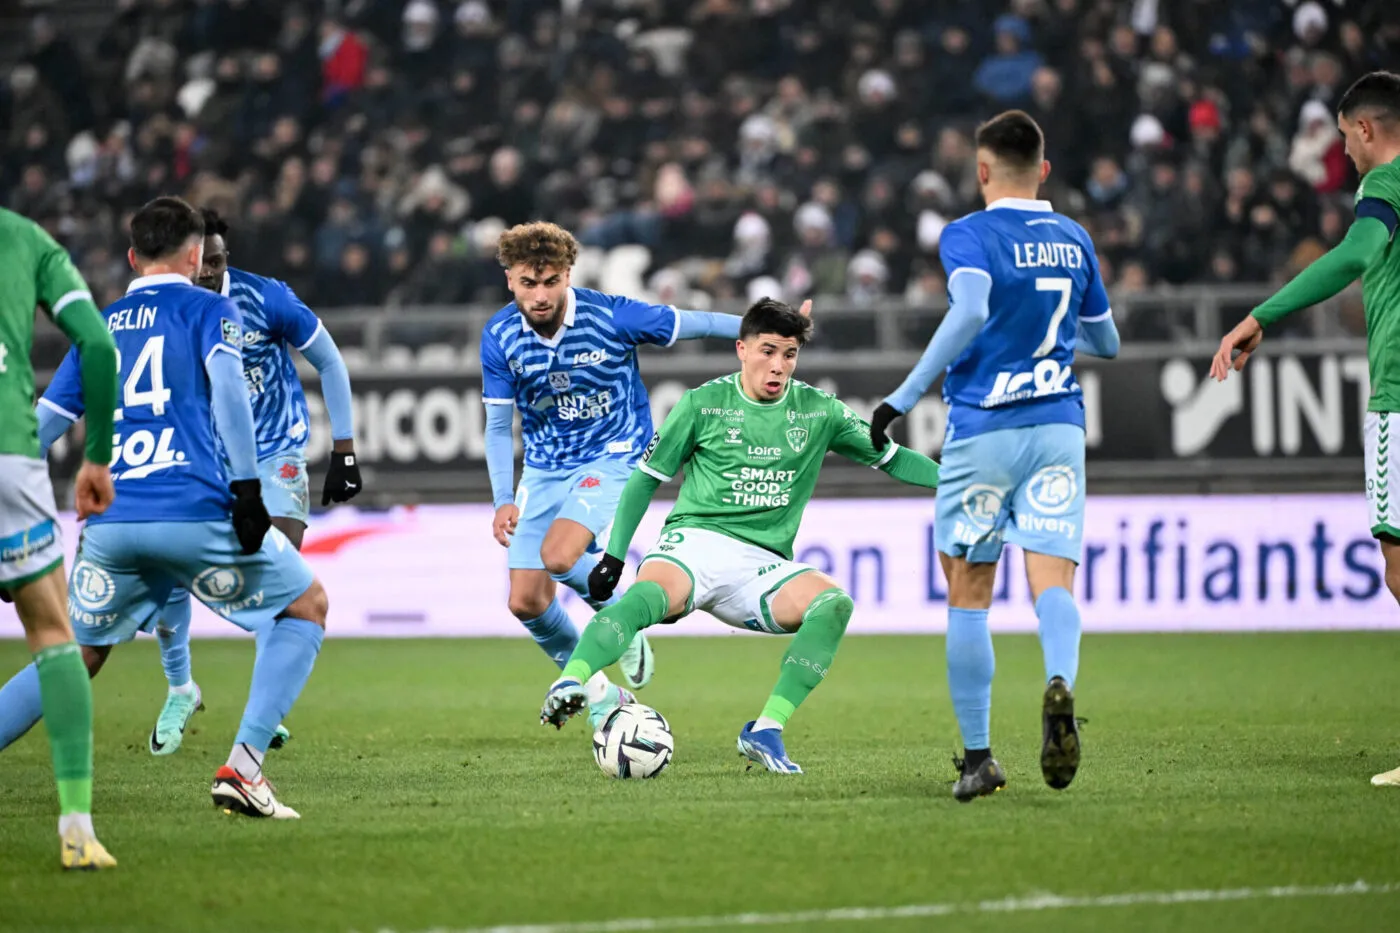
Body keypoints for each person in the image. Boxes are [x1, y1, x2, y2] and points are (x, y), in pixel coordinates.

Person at [0, 197, 328, 819]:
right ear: (196, 256)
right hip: (192, 511)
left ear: (132, 257)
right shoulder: (211, 308)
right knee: (305, 606)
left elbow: (36, 431)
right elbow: (230, 395)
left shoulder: (99, 325)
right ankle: (244, 769)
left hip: (112, 526)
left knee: (72, 654)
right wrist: (248, 490)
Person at [539, 298, 943, 773]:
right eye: (767, 351)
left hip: (762, 564)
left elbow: (893, 458)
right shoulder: (702, 403)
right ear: (742, 350)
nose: (778, 366)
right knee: (645, 600)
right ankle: (571, 680)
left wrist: (958, 482)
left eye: (789, 354)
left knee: (833, 605)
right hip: (695, 542)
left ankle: (766, 729)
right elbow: (645, 479)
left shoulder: (820, 411)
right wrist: (613, 556)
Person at [870, 110, 1121, 802]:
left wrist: (902, 396)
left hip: (985, 429)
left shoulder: (968, 234)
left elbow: (973, 310)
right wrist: (1051, 332)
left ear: (981, 170)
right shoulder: (1075, 237)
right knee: (1053, 580)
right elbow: (1107, 343)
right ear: (1044, 170)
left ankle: (979, 758)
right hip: (1059, 427)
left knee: (969, 589)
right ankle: (1059, 679)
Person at [56, 206, 356, 757]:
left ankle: (262, 708)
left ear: (220, 258)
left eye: (218, 262)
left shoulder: (265, 298)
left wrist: (344, 449)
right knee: (172, 570)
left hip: (275, 453)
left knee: (283, 565)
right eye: (205, 262)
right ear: (191, 257)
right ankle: (181, 687)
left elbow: (330, 361)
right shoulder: (183, 312)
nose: (210, 272)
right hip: (207, 460)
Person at [1210, 72, 1400, 789]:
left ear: (1365, 129)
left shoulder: (1384, 185)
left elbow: (1355, 255)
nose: (1345, 152)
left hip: (1399, 395)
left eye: (1346, 137)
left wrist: (1262, 314)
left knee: (1398, 565)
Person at [481, 222, 744, 731]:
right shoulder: (499, 336)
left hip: (614, 455)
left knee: (559, 555)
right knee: (525, 601)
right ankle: (602, 696)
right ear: (510, 279)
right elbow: (496, 425)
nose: (540, 295)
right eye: (528, 283)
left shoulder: (611, 316)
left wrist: (764, 328)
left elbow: (698, 321)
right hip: (544, 466)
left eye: (551, 282)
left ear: (568, 275)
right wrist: (502, 498)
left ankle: (621, 616)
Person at [0, 206, 119, 869]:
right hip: (8, 458)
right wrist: (95, 458)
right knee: (53, 635)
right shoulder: (25, 240)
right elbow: (97, 345)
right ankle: (76, 829)